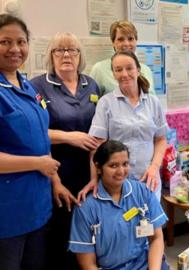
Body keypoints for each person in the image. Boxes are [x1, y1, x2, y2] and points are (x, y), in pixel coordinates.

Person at [0, 14, 76, 269]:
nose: (15, 49)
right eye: (5, 42)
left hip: (38, 207)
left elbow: (38, 136)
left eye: (21, 42)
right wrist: (37, 164)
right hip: (8, 215)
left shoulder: (27, 86)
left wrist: (55, 181)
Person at [30, 32, 100, 269]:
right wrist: (69, 138)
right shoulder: (37, 87)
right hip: (55, 171)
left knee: (89, 229)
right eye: (59, 50)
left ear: (80, 55)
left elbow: (99, 127)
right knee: (60, 233)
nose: (67, 55)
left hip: (90, 171)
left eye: (73, 50)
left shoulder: (91, 84)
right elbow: (33, 131)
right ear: (51, 56)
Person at [80, 51, 167, 201]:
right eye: (118, 70)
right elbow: (97, 146)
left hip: (148, 179)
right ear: (113, 74)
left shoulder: (153, 102)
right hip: (116, 182)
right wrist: (94, 178)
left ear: (138, 70)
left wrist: (154, 167)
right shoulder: (106, 103)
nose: (124, 74)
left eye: (129, 68)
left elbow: (160, 139)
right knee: (122, 223)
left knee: (150, 222)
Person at [69, 140, 169, 269]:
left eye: (125, 164)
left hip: (145, 264)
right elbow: (88, 264)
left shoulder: (143, 192)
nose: (121, 171)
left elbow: (156, 238)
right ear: (98, 168)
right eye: (113, 165)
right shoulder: (86, 208)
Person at [90, 20, 154, 96]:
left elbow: (153, 102)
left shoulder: (146, 70)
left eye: (130, 39)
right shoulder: (99, 69)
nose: (126, 44)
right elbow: (91, 103)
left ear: (136, 41)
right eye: (121, 39)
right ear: (113, 42)